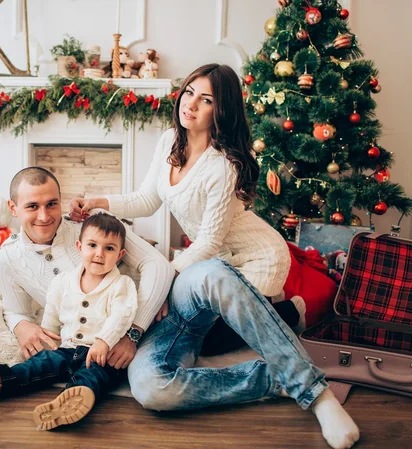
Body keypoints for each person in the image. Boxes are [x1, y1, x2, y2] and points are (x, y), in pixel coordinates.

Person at [69, 64, 359, 449]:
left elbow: (205, 244)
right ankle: (271, 378)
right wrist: (98, 202)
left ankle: (315, 393)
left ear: (220, 111)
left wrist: (161, 286)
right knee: (152, 389)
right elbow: (146, 200)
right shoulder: (169, 140)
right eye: (189, 92)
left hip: (255, 258)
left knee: (210, 277)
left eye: (206, 100)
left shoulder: (224, 165)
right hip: (213, 261)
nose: (191, 104)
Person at [0, 213, 138, 430]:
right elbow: (52, 314)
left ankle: (66, 405)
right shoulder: (63, 281)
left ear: (120, 255)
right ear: (79, 246)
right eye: (93, 245)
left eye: (109, 249)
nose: (99, 254)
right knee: (40, 364)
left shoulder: (121, 284)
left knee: (91, 377)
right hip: (67, 348)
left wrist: (104, 341)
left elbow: (121, 316)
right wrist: (46, 340)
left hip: (101, 355)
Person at [0, 167, 172, 365]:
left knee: (149, 384)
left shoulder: (91, 223)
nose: (44, 216)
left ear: (60, 200)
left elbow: (159, 266)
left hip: (154, 320)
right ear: (13, 208)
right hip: (85, 350)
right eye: (32, 206)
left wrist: (133, 334)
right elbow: (14, 310)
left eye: (51, 204)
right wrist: (21, 326)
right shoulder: (6, 258)